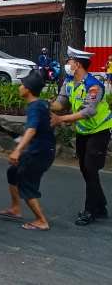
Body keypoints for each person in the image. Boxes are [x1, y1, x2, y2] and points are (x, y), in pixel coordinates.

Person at [50, 46, 112, 226]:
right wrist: (43, 103)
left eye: (68, 62)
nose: (66, 65)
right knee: (86, 170)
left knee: (91, 170)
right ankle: (100, 206)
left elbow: (89, 111)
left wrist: (61, 120)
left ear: (77, 64)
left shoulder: (93, 85)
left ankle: (90, 210)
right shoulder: (69, 82)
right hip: (84, 131)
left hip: (99, 130)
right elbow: (60, 103)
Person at [0, 72, 56, 230]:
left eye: (22, 85)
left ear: (28, 90)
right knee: (13, 172)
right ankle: (16, 209)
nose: (20, 87)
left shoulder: (35, 107)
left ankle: (41, 221)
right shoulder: (41, 103)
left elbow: (32, 130)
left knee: (26, 181)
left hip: (41, 153)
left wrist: (17, 150)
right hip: (42, 150)